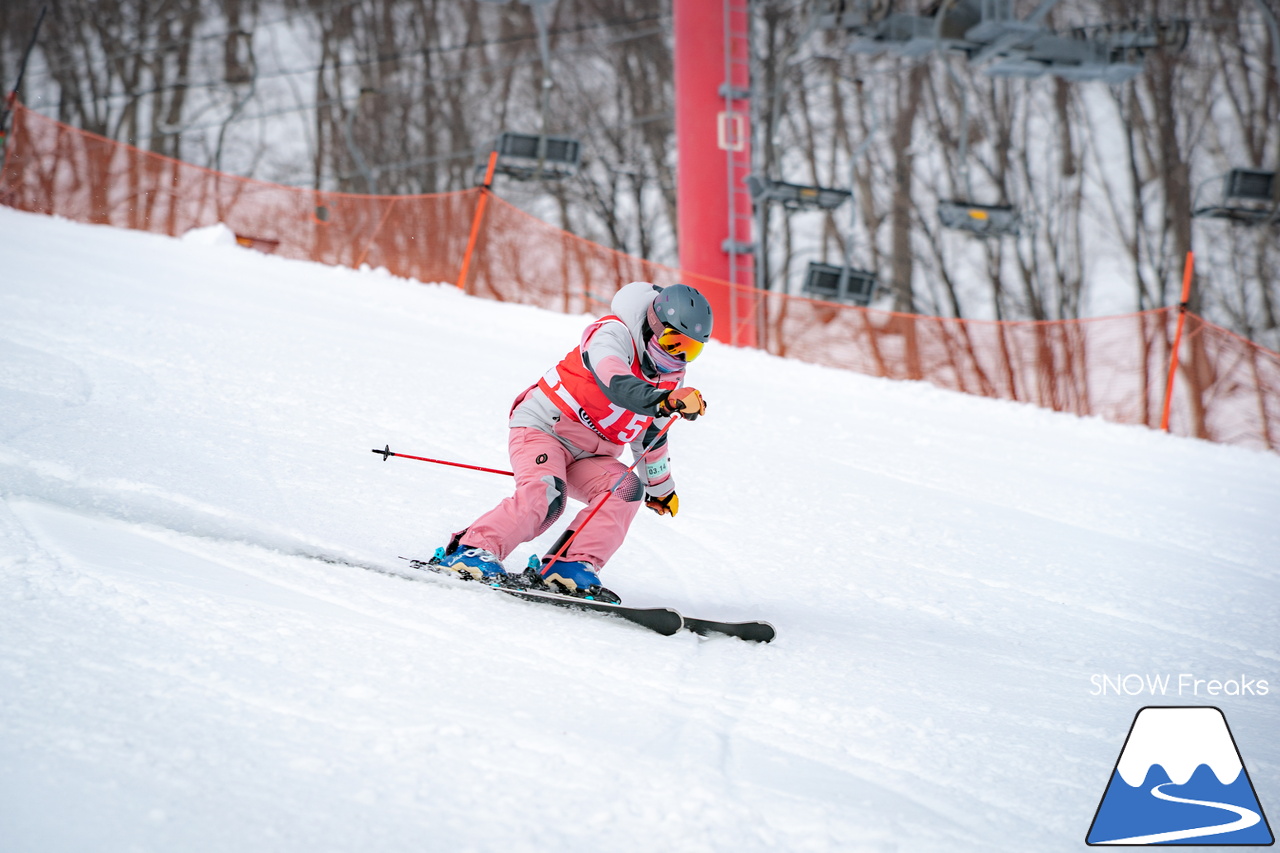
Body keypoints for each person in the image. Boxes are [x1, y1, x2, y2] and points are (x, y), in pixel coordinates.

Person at [436, 281, 712, 600]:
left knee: (625, 490)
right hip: (546, 427)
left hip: (592, 454)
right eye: (673, 341)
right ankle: (473, 550)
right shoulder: (612, 334)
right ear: (653, 325)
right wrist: (664, 400)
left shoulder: (671, 376)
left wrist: (660, 488)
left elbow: (652, 435)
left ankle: (568, 565)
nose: (677, 355)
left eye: (690, 349)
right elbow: (615, 383)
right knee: (546, 496)